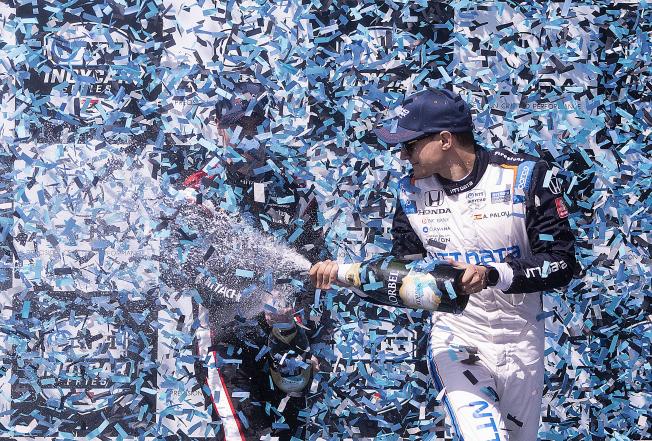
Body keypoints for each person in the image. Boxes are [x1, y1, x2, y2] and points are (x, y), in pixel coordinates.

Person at [309, 87, 577, 440]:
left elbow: (562, 263)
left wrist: (492, 274)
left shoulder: (526, 176)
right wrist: (344, 275)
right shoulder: (409, 192)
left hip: (523, 342)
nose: (403, 155)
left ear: (446, 140)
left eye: (410, 145)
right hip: (457, 339)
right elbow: (404, 276)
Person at [172, 81, 323, 440]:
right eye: (237, 127)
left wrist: (300, 324)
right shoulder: (198, 194)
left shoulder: (296, 190)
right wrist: (250, 298)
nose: (246, 139)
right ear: (219, 129)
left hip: (286, 342)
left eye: (254, 128)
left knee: (289, 434)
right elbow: (181, 270)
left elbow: (316, 268)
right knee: (242, 433)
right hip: (223, 339)